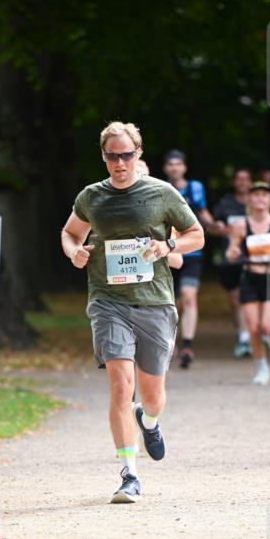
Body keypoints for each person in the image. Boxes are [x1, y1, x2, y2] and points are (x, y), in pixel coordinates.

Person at [61, 121, 204, 503]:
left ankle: (149, 420)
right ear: (104, 156)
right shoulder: (91, 197)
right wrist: (74, 251)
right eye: (113, 156)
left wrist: (167, 245)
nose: (120, 162)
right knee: (121, 386)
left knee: (152, 395)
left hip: (155, 302)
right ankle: (129, 474)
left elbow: (197, 236)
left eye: (126, 155)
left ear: (138, 153)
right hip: (108, 301)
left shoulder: (162, 193)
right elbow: (70, 232)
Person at [226, 181, 270, 384]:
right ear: (249, 199)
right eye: (256, 194)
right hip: (250, 277)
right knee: (254, 328)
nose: (260, 198)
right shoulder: (241, 225)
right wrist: (232, 253)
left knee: (267, 326)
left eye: (264, 195)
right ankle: (261, 368)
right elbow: (230, 252)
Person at [162, 149, 215, 368]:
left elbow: (202, 212)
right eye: (170, 164)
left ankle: (187, 346)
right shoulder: (159, 188)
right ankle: (169, 343)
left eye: (178, 164)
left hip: (191, 252)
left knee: (189, 297)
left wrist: (215, 226)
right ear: (165, 168)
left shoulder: (195, 187)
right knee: (171, 302)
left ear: (184, 167)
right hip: (167, 252)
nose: (174, 168)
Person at [212, 167, 252, 357]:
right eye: (239, 179)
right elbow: (214, 226)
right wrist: (218, 227)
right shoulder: (225, 203)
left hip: (255, 258)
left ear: (250, 182)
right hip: (231, 258)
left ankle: (251, 336)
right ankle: (242, 335)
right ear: (234, 182)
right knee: (236, 300)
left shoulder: (258, 201)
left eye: (245, 179)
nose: (242, 182)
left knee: (250, 299)